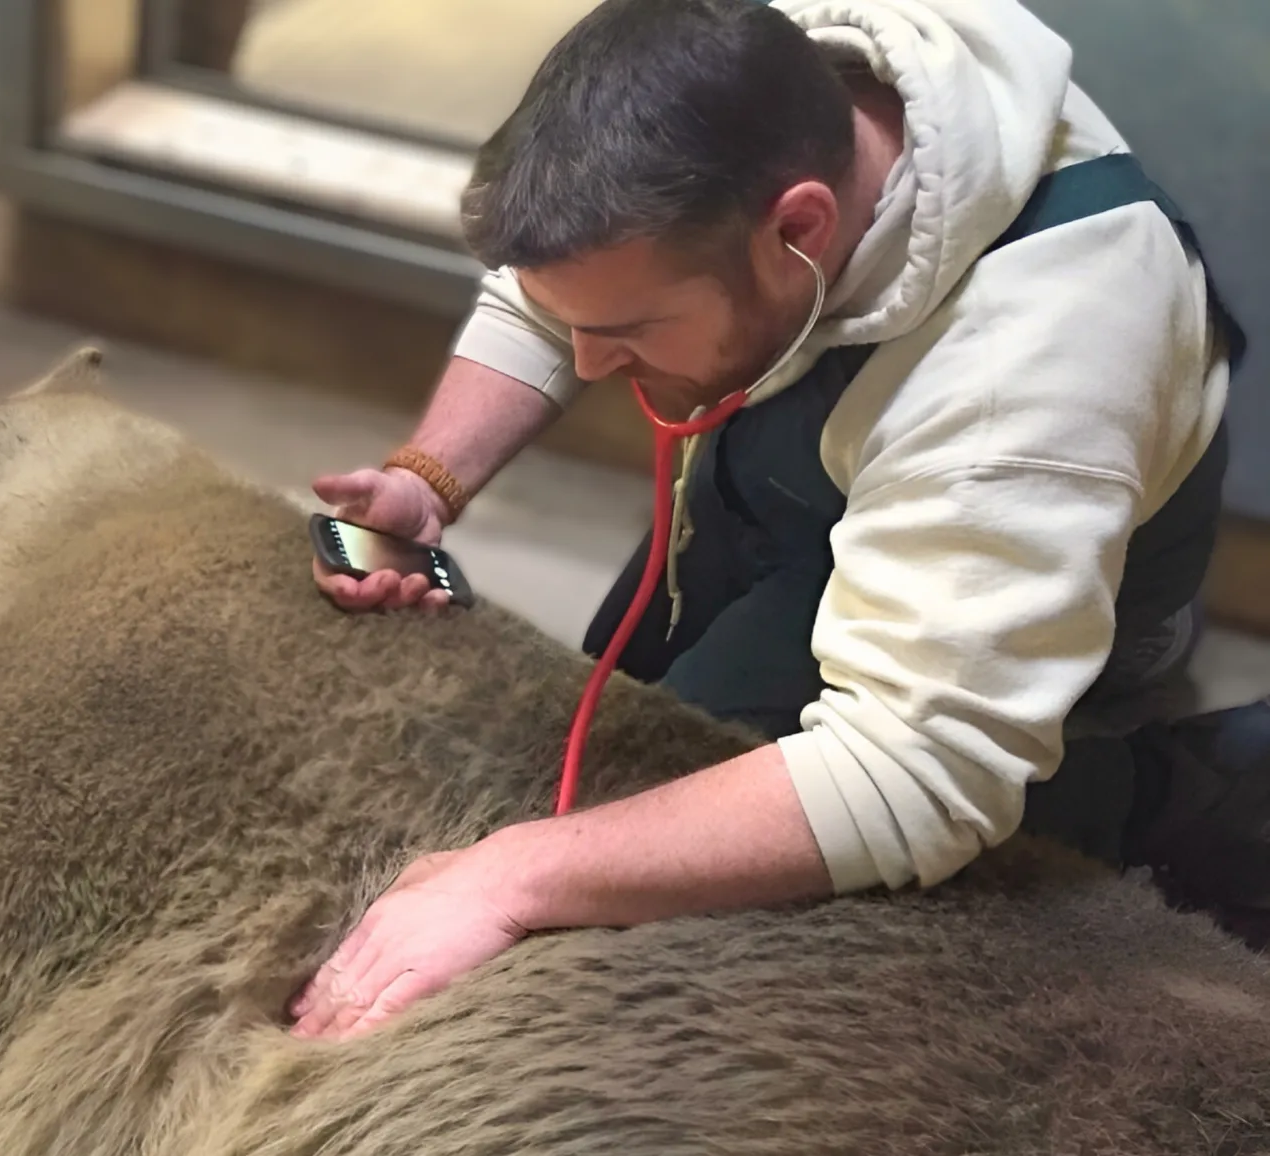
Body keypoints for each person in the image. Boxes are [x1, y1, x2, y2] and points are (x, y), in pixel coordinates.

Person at [288, 0, 1254, 1041]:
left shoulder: (1026, 370)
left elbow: (915, 769)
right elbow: (573, 284)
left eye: (627, 334)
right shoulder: (769, 62)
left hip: (1010, 580)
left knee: (721, 881)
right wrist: (432, 477)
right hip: (807, 482)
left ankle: (1160, 794)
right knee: (631, 750)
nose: (589, 365)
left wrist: (510, 876)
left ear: (799, 231)